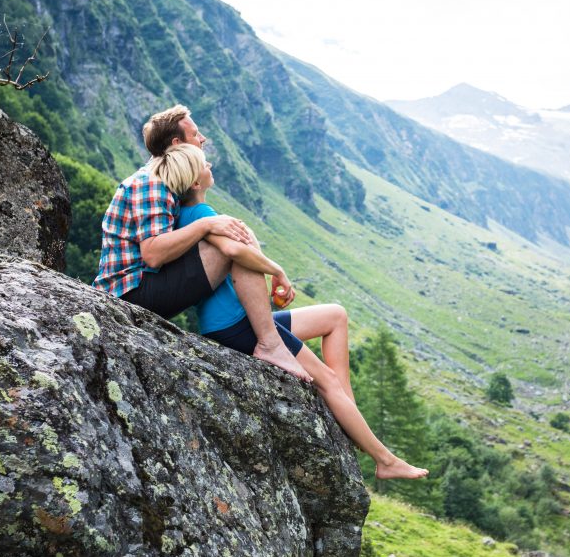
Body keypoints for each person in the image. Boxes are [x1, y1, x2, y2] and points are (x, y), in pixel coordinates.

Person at [156, 142, 428, 482]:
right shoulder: (202, 216)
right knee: (324, 379)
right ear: (195, 183)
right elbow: (235, 252)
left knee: (335, 315)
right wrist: (277, 271)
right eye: (203, 163)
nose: (210, 163)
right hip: (236, 326)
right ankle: (384, 460)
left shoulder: (190, 215)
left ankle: (347, 410)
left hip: (245, 319)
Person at [92, 105, 309, 381]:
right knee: (230, 246)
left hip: (142, 285)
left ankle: (265, 335)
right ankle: (270, 343)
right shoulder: (152, 182)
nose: (203, 139)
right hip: (129, 293)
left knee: (230, 236)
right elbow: (153, 254)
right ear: (177, 144)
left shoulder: (166, 182)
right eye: (196, 134)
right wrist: (208, 225)